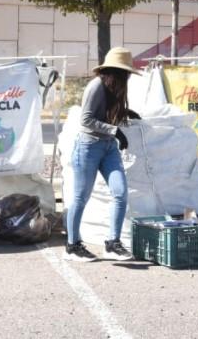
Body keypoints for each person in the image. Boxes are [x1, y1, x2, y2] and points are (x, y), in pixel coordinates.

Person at [65, 47, 140, 262]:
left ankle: (112, 243)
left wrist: (125, 113)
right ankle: (72, 246)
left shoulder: (115, 87)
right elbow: (86, 120)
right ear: (113, 71)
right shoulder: (96, 86)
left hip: (108, 148)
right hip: (88, 146)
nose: (127, 76)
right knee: (80, 198)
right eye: (124, 72)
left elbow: (107, 113)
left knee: (120, 192)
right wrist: (114, 130)